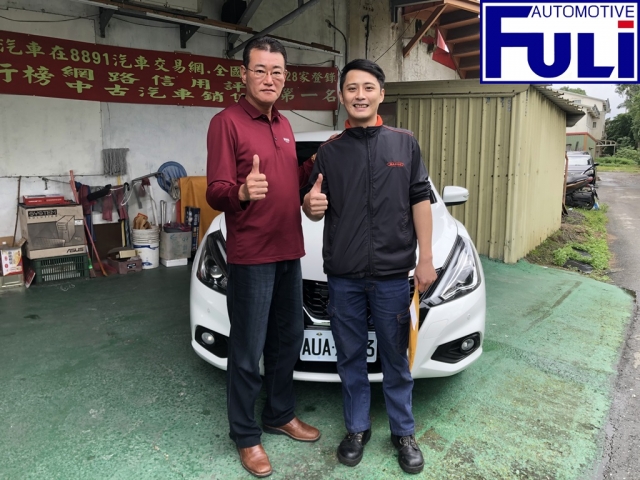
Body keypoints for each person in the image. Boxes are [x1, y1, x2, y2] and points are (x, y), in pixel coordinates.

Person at [302, 58, 437, 474]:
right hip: (343, 278)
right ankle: (357, 428)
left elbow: (420, 199)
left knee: (396, 357)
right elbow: (313, 205)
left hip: (393, 277)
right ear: (341, 96)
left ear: (381, 93)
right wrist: (310, 206)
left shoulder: (404, 144)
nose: (359, 95)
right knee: (350, 357)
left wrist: (426, 258)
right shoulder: (329, 152)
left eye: (367, 87)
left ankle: (403, 432)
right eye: (351, 88)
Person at [206, 36, 320, 478]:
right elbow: (216, 191)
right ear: (244, 74)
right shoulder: (226, 123)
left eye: (276, 71)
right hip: (252, 254)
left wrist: (319, 162)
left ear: (285, 77)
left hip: (289, 248)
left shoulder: (285, 124)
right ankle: (245, 436)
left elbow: (291, 178)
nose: (269, 78)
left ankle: (279, 414)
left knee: (288, 339)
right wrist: (240, 191)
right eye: (260, 70)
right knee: (247, 349)